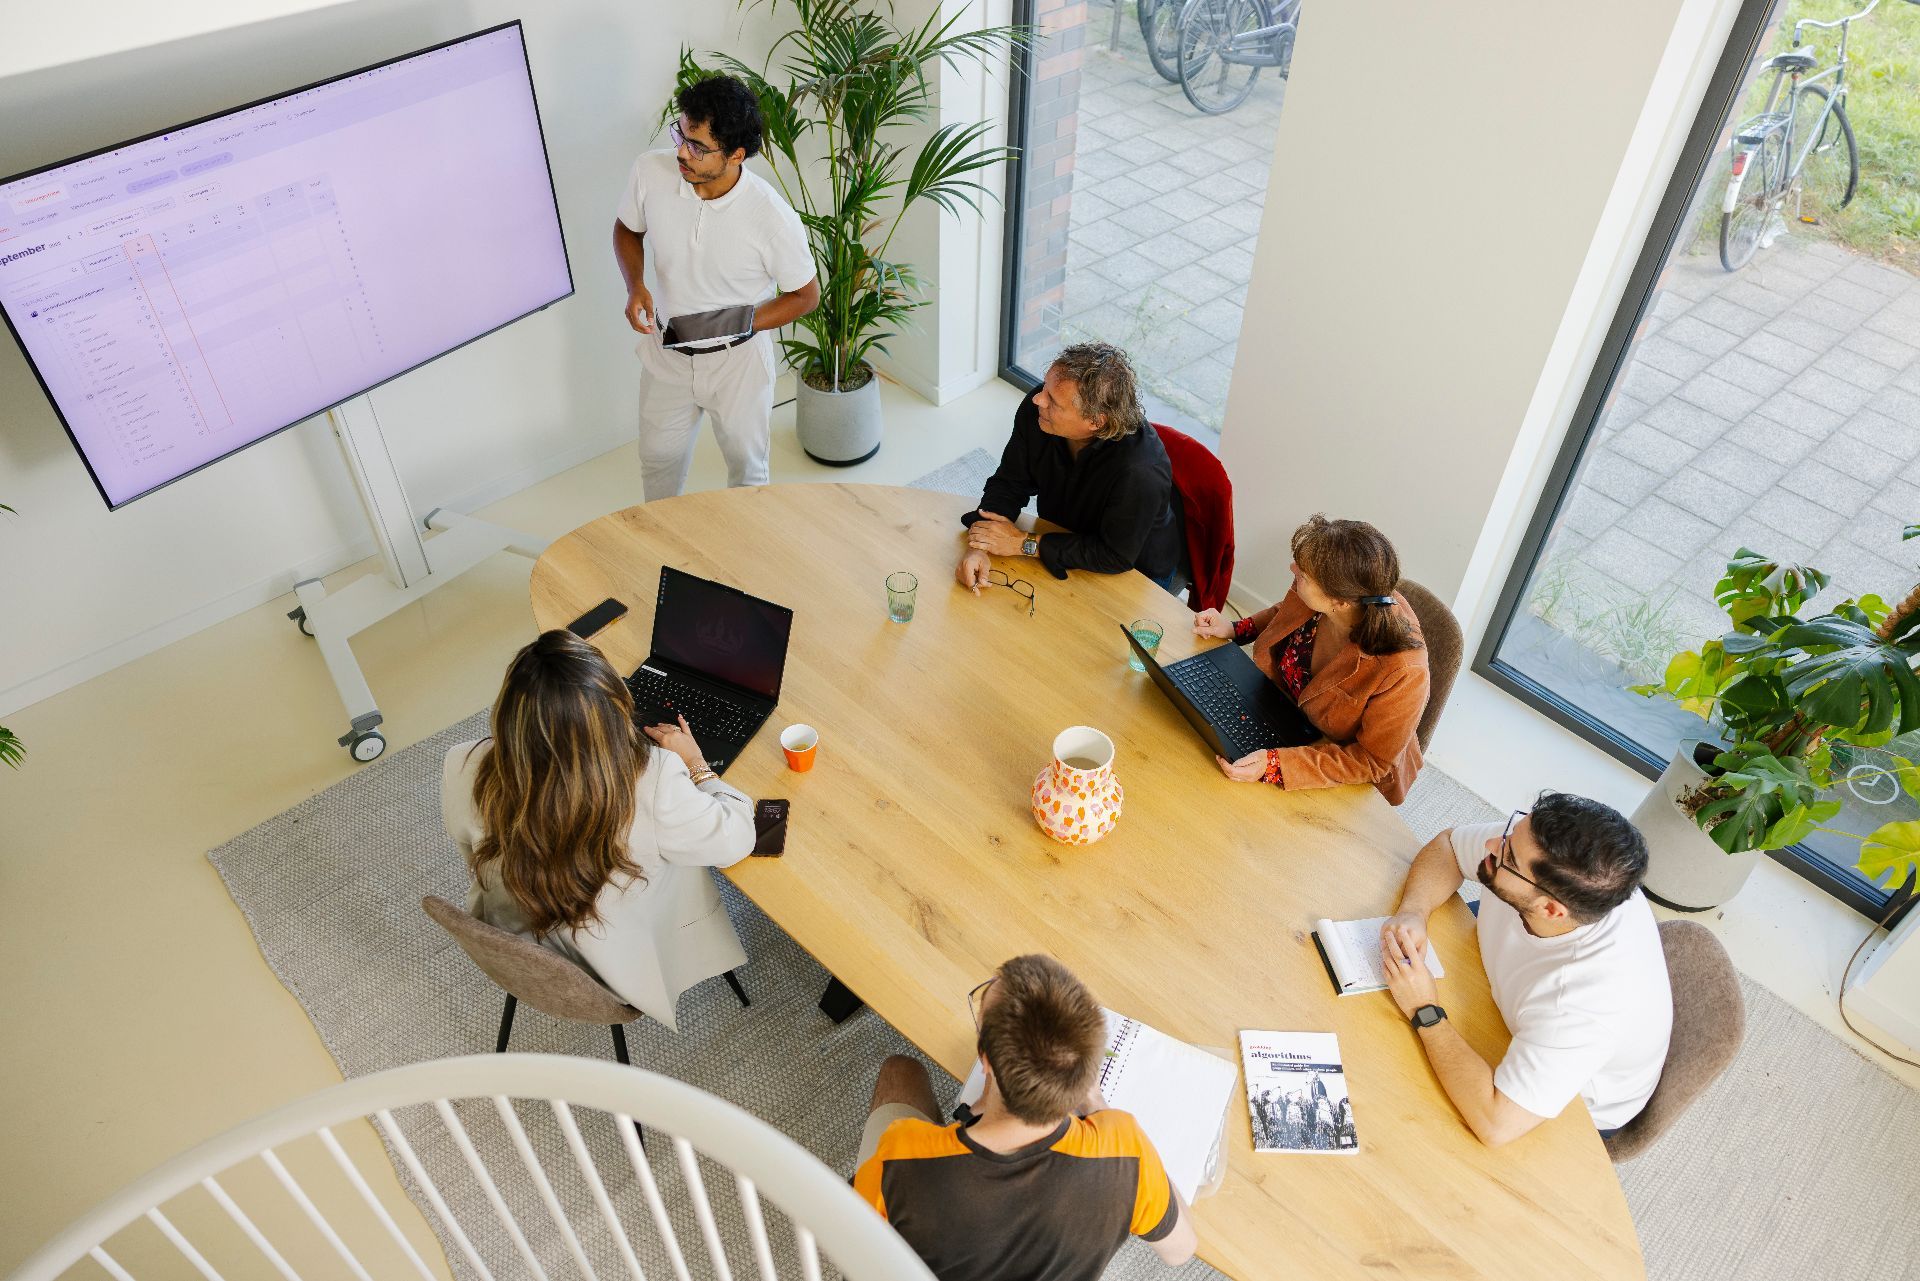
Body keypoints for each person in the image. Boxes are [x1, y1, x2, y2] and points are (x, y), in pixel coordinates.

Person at [441, 630, 757, 1032]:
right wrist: (696, 765)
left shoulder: (461, 763)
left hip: (516, 937)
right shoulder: (652, 777)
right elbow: (732, 840)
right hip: (614, 963)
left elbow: (468, 846)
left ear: (509, 713)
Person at [852, 954, 1198, 1280]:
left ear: (985, 1060)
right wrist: (1098, 1107)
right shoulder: (1125, 1154)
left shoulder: (901, 1156)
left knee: (901, 1070)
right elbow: (1181, 1250)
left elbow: (855, 1247)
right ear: (1085, 1076)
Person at [1377, 793, 1673, 1146]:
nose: (1491, 844)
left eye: (1509, 857)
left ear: (1550, 909)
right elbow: (1450, 846)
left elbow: (1495, 1124)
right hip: (1504, 991)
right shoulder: (1543, 859)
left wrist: (1424, 1009)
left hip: (1556, 1101)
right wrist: (1415, 910)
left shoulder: (1582, 1007)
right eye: (1511, 832)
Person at [614, 74, 820, 501]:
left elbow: (806, 295)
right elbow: (626, 229)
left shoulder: (770, 216)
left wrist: (736, 321)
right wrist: (635, 285)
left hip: (738, 363)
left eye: (697, 147)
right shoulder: (650, 172)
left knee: (747, 474)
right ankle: (663, 548)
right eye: (681, 136)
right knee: (657, 462)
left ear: (736, 154)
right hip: (666, 353)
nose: (681, 153)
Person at [1191, 514, 1429, 804]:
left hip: (1335, 762)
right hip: (1280, 715)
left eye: (1302, 575)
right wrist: (1235, 628)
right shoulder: (1327, 593)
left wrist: (1277, 765)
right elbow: (1286, 613)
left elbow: (1370, 761)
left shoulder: (1404, 670)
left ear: (1339, 602)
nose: (1293, 570)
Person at [955, 342, 1184, 592]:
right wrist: (980, 545)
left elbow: (1114, 556)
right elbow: (1010, 482)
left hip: (1135, 573)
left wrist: (1023, 542)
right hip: (1059, 538)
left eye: (1053, 400)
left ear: (1095, 421)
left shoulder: (1141, 472)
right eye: (1045, 387)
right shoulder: (1039, 414)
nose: (1038, 399)